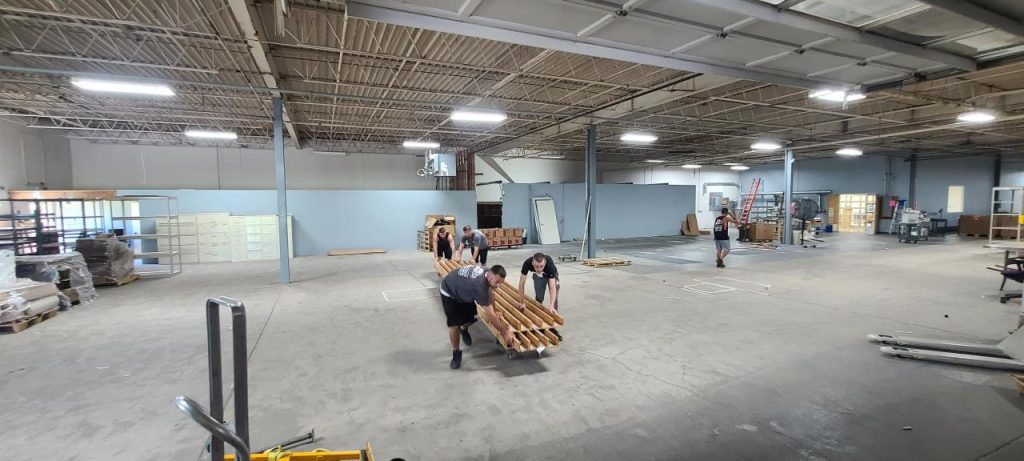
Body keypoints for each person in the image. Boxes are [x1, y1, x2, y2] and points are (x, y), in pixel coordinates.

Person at [439, 264, 511, 369]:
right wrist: (504, 333)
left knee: (470, 318)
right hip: (449, 292)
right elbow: (490, 314)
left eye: (501, 282)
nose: (498, 285)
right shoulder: (479, 286)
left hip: (464, 291)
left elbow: (490, 293)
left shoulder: (488, 273)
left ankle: (464, 329)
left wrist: (495, 311)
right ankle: (456, 353)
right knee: (455, 325)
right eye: (497, 282)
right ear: (489, 276)